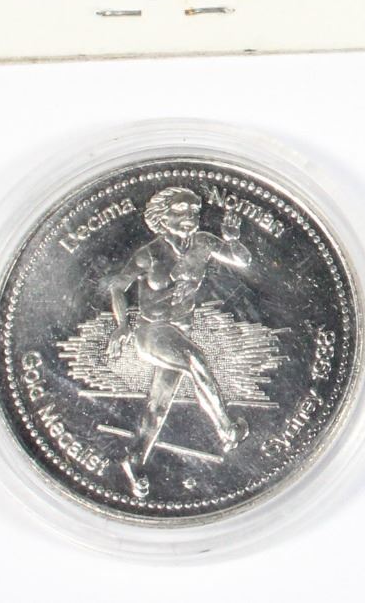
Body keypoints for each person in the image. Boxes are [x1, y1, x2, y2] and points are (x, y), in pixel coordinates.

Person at [105, 186, 254, 499]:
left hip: (179, 332)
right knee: (195, 360)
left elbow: (241, 260)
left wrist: (231, 239)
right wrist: (122, 326)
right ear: (161, 217)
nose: (190, 216)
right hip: (152, 333)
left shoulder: (203, 243)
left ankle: (134, 460)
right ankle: (227, 428)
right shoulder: (149, 254)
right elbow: (117, 287)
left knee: (158, 406)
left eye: (194, 210)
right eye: (180, 210)